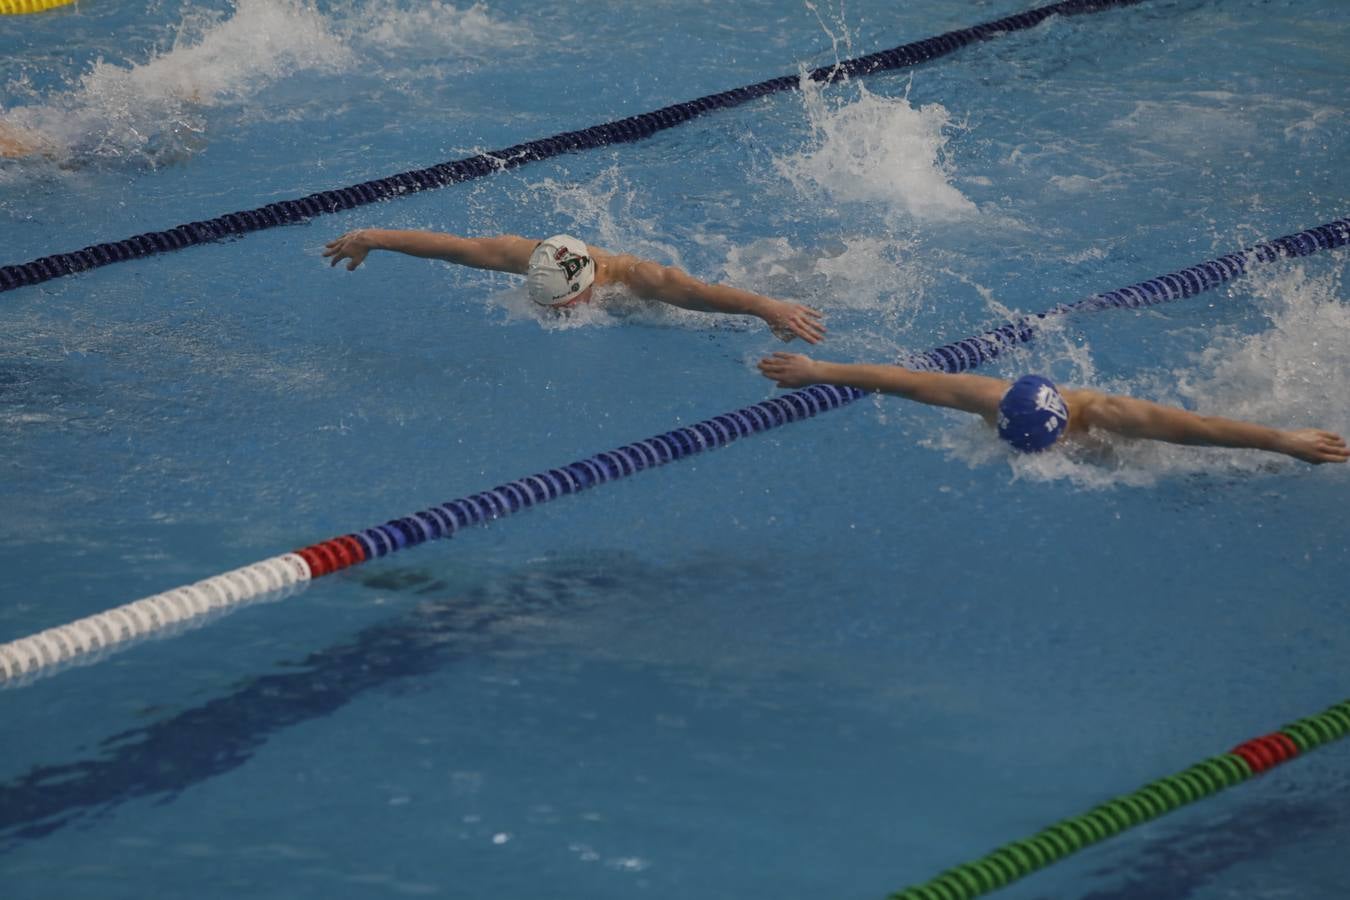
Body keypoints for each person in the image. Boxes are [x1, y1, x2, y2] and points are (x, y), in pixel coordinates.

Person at [757, 352, 1349, 464]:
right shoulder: (992, 399)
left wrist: (1282, 441)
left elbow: (1197, 429)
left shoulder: (1114, 415)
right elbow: (906, 381)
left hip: (1152, 452)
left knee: (1209, 458)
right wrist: (819, 371)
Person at [322, 229, 827, 344]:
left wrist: (767, 308)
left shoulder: (639, 279)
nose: (559, 315)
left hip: (724, 303)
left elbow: (699, 295)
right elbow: (454, 248)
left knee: (810, 288)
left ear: (586, 286)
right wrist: (371, 239)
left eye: (565, 306)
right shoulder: (526, 255)